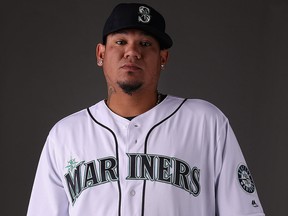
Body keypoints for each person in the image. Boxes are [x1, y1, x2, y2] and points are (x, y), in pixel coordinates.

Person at [27, 3, 265, 216]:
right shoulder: (65, 134)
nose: (132, 52)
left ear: (163, 57)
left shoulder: (205, 122)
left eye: (145, 43)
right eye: (120, 42)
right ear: (101, 53)